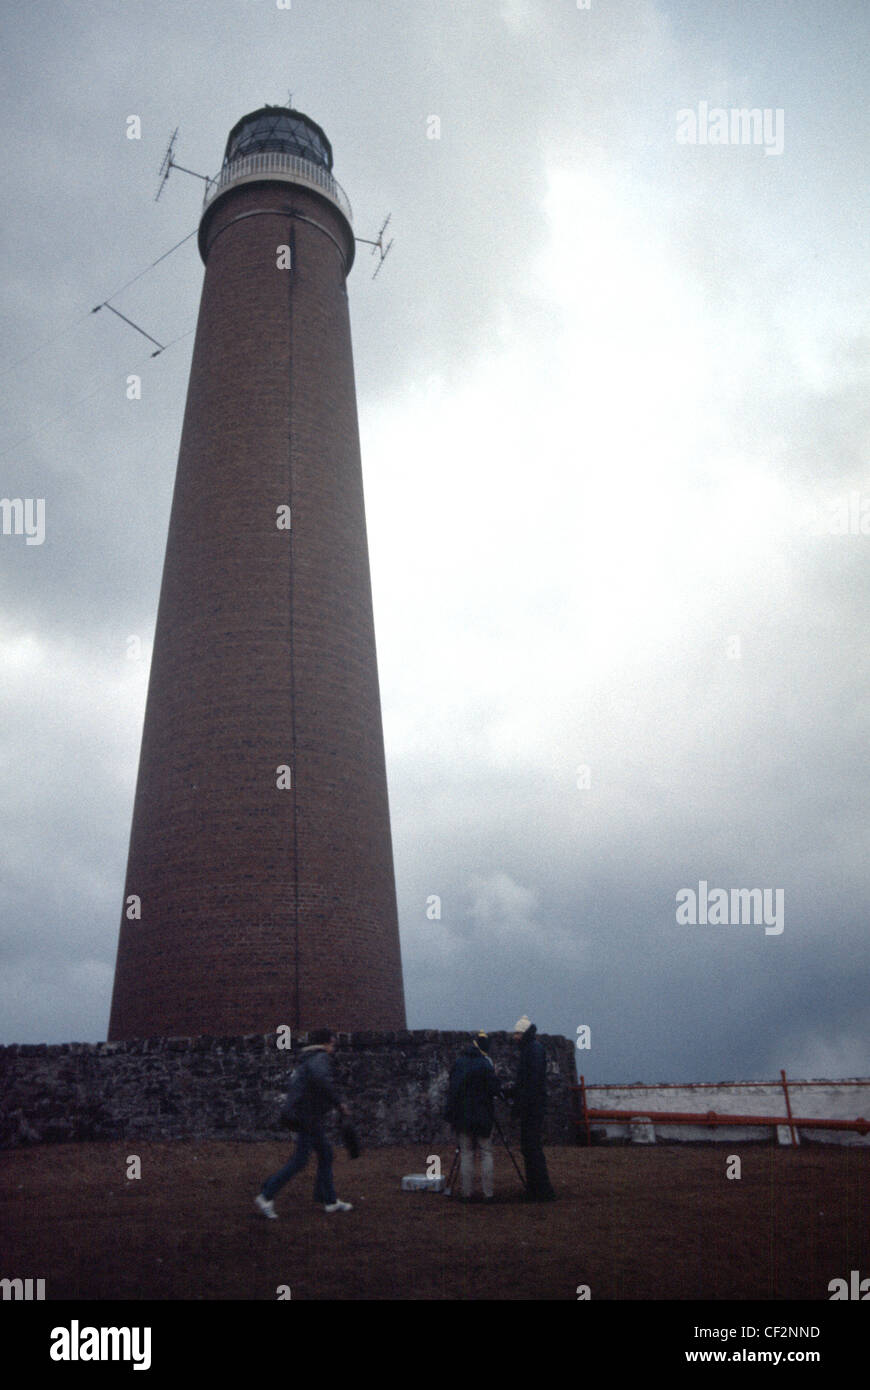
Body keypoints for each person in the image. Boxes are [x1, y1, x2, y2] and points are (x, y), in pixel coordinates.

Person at [255, 1029, 352, 1217]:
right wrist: (339, 1103)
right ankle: (266, 1196)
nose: (333, 1048)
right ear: (326, 1043)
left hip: (305, 1115)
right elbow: (320, 1080)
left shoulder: (308, 1057)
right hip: (307, 1116)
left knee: (326, 1154)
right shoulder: (321, 1058)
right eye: (332, 1043)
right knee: (300, 1160)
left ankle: (329, 1200)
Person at [444, 1031, 502, 1201]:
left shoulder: (459, 1063)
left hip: (463, 1116)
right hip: (483, 1115)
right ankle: (488, 1193)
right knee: (486, 1153)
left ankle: (467, 1192)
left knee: (467, 1154)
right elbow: (494, 1090)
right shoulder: (486, 1065)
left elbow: (452, 1089)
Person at [510, 1015, 556, 1202]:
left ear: (524, 1033)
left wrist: (519, 1099)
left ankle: (540, 1190)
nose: (515, 1037)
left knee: (532, 1148)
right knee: (530, 1148)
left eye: (518, 1033)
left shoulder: (532, 1050)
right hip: (532, 1105)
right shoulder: (532, 1049)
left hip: (532, 1107)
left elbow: (530, 1081)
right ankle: (537, 1188)